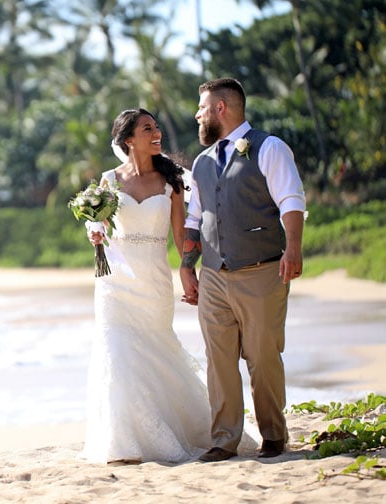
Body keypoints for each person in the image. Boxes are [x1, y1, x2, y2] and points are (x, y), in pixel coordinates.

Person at [179, 77, 305, 463]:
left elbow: (291, 200)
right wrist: (187, 266)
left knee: (263, 357)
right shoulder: (201, 162)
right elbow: (195, 218)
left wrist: (294, 249)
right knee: (218, 360)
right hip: (215, 275)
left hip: (261, 271)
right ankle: (224, 440)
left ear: (221, 109)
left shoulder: (270, 148)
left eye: (202, 108)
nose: (197, 115)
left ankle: (273, 435)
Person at [80, 108, 216, 465]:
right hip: (114, 283)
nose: (157, 133)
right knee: (118, 352)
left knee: (158, 350)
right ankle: (123, 443)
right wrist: (93, 231)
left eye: (157, 127)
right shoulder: (109, 180)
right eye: (147, 129)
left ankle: (172, 428)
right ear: (128, 140)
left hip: (154, 280)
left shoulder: (171, 182)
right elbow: (99, 225)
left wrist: (188, 269)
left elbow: (180, 233)